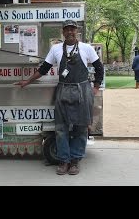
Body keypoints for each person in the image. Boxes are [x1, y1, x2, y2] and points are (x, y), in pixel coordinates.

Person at [14, 19, 104, 176]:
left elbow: (99, 67)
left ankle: (75, 161)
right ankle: (64, 161)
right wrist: (27, 81)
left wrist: (95, 87)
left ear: (77, 31)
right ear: (63, 32)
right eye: (67, 29)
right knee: (61, 129)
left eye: (72, 29)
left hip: (82, 90)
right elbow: (44, 69)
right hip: (63, 90)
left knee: (80, 128)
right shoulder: (55, 49)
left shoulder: (86, 48)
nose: (70, 32)